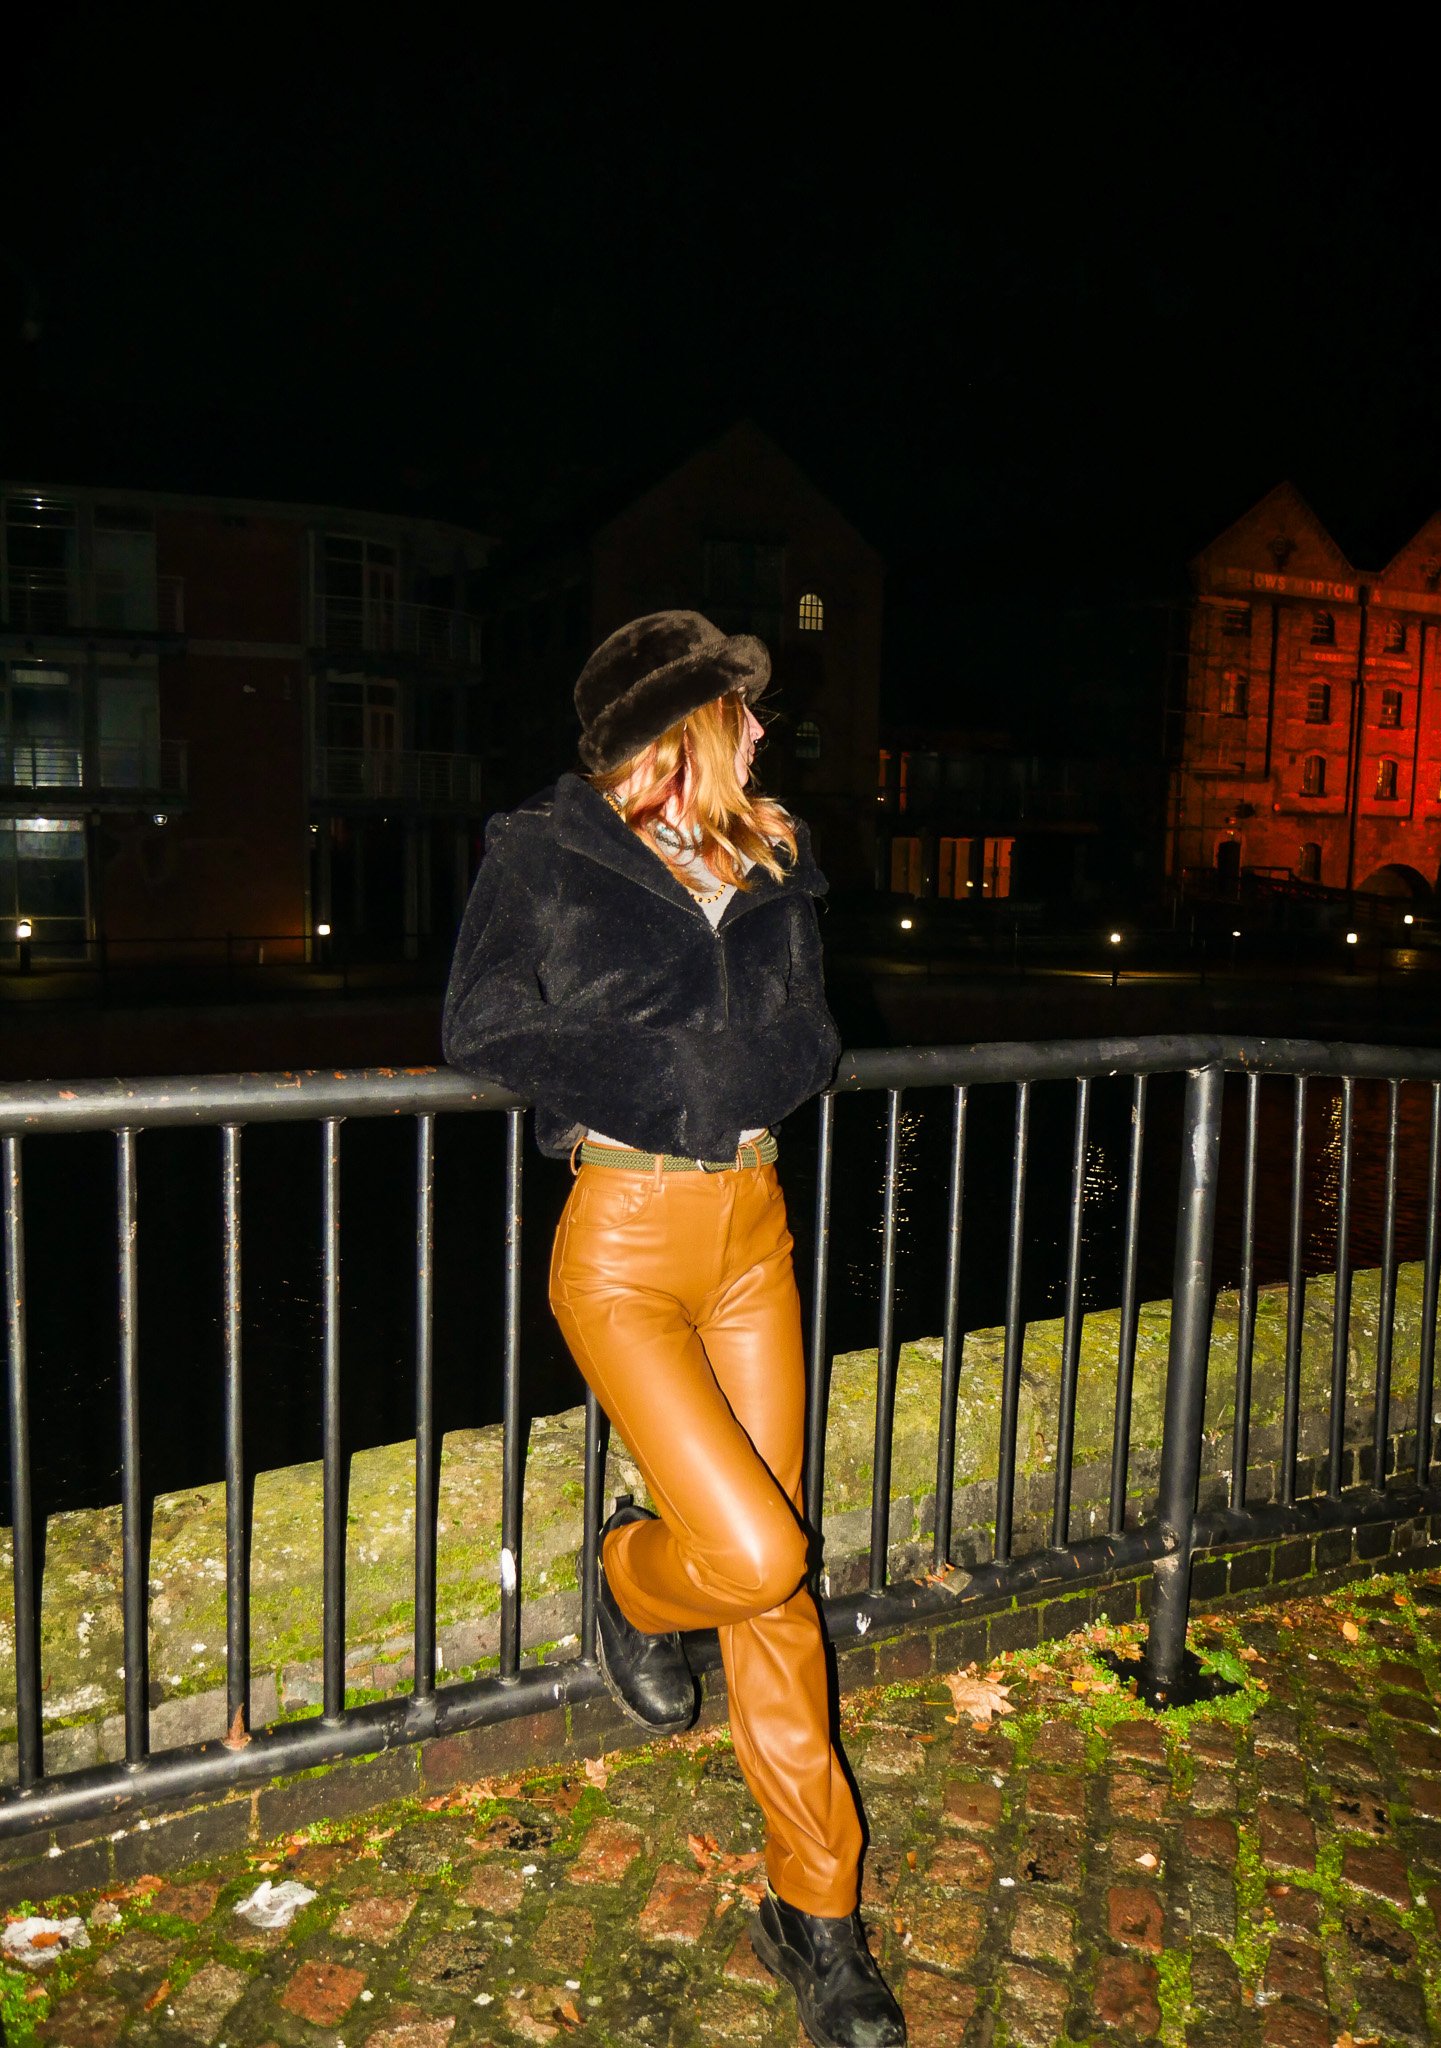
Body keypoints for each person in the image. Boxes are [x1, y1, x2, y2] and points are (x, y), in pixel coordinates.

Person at [443, 610, 906, 2048]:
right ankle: (633, 1581)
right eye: (741, 711)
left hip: (754, 1233)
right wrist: (667, 1077)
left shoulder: (770, 847)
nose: (765, 731)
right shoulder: (544, 848)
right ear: (679, 724)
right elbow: (480, 1025)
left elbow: (814, 1030)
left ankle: (814, 1909)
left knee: (777, 1598)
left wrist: (754, 1068)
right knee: (756, 1552)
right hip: (627, 1243)